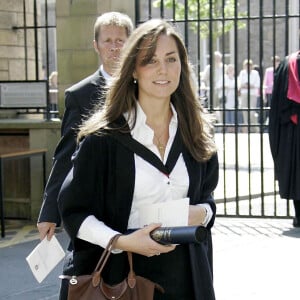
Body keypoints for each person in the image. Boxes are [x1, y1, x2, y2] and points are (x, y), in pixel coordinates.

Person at [58, 19, 219, 300]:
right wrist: (122, 241)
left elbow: (207, 200)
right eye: (150, 60)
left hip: (187, 278)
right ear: (133, 68)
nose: (163, 70)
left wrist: (202, 214)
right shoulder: (103, 139)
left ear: (182, 65)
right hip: (123, 277)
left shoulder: (196, 133)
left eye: (171, 59)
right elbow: (73, 212)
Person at [37, 11, 133, 240]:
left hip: (139, 200)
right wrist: (50, 210)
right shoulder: (80, 95)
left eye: (120, 41)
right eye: (107, 41)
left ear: (131, 44)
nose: (114, 47)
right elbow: (65, 154)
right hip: (97, 205)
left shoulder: (146, 88)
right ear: (96, 46)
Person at [269, 51, 300, 227]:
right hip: (293, 130)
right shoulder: (289, 64)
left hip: (292, 131)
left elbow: (278, 105)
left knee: (295, 172)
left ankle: (298, 215)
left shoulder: (287, 64)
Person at [202, 51, 227, 125]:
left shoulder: (224, 67)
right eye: (216, 58)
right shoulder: (209, 68)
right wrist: (204, 86)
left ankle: (223, 124)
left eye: (218, 58)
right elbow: (204, 79)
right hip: (212, 90)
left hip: (222, 90)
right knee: (212, 107)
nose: (217, 59)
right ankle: (212, 124)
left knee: (222, 107)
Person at [238, 59, 260, 132]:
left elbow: (257, 84)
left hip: (252, 94)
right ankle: (246, 127)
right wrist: (246, 86)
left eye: (249, 66)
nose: (248, 67)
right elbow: (240, 83)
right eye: (246, 66)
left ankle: (255, 127)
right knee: (244, 110)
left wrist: (249, 86)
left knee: (252, 111)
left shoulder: (255, 73)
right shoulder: (242, 73)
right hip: (244, 94)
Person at [224, 64, 242, 132]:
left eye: (232, 70)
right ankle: (228, 127)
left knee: (233, 112)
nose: (231, 71)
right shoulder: (224, 78)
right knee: (227, 113)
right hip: (227, 98)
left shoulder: (236, 79)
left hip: (234, 98)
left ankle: (233, 128)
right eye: (229, 69)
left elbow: (238, 87)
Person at [262, 55, 281, 125]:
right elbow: (265, 82)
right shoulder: (268, 70)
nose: (275, 63)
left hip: (278, 92)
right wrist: (264, 93)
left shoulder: (281, 70)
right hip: (269, 92)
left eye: (276, 62)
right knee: (270, 107)